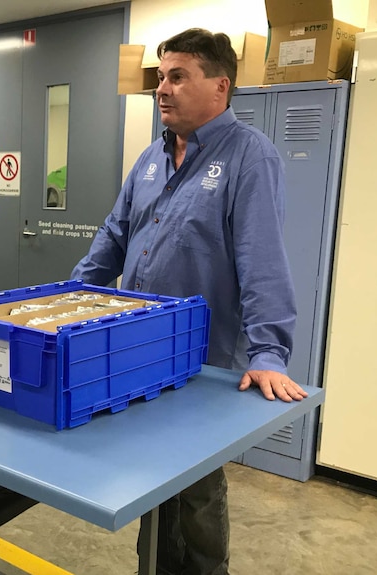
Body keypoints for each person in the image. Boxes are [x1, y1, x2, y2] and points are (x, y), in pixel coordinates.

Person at [71, 28, 308, 575]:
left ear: (220, 87)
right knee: (152, 474)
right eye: (160, 77)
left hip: (199, 358)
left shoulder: (251, 157)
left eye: (178, 77)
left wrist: (268, 352)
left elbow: (262, 261)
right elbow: (113, 234)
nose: (163, 89)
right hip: (134, 345)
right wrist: (75, 293)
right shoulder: (150, 157)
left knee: (197, 481)